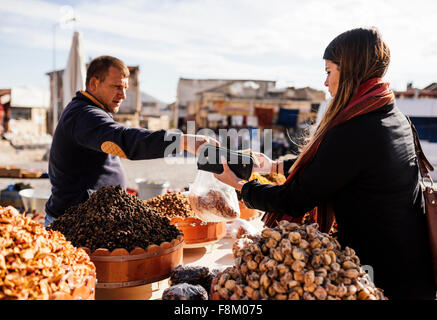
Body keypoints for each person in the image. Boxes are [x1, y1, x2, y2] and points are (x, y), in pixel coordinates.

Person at [214, 27, 436, 300]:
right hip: (411, 267)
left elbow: (295, 199)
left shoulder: (356, 129)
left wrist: (238, 185)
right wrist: (273, 167)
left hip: (384, 279)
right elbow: (336, 165)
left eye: (329, 71)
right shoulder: (390, 114)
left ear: (350, 70)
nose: (325, 81)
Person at [45, 55, 218, 227]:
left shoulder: (91, 112)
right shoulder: (84, 115)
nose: (123, 95)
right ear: (93, 84)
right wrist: (182, 141)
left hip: (91, 219)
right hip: (73, 224)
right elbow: (124, 140)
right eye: (116, 87)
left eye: (125, 88)